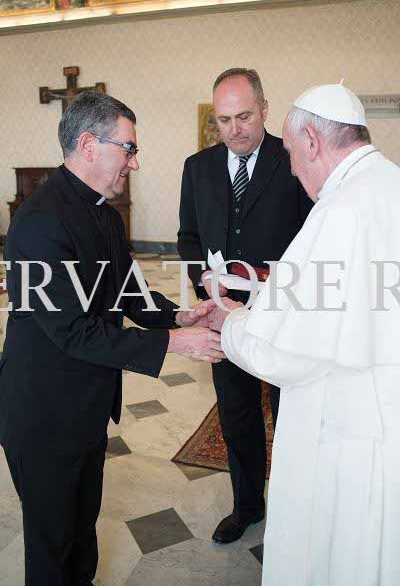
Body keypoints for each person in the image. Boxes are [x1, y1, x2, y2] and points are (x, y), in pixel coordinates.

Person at [0, 91, 223, 586]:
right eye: (129, 148)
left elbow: (127, 291)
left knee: (82, 530)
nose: (134, 163)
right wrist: (175, 344)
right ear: (88, 145)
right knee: (52, 546)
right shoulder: (38, 223)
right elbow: (74, 331)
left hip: (85, 403)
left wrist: (179, 316)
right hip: (43, 413)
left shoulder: (103, 212)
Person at [209, 82, 400, 585]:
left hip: (349, 428)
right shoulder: (390, 183)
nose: (293, 169)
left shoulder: (339, 211)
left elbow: (282, 353)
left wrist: (229, 323)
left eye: (293, 154)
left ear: (312, 142)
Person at [178, 67, 312, 543]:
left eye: (244, 117)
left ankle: (296, 511)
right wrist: (206, 284)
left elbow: (311, 241)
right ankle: (247, 507)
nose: (234, 129)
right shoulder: (197, 167)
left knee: (289, 414)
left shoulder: (292, 160)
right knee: (236, 415)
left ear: (265, 109)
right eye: (224, 119)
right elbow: (188, 238)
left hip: (283, 316)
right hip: (222, 316)